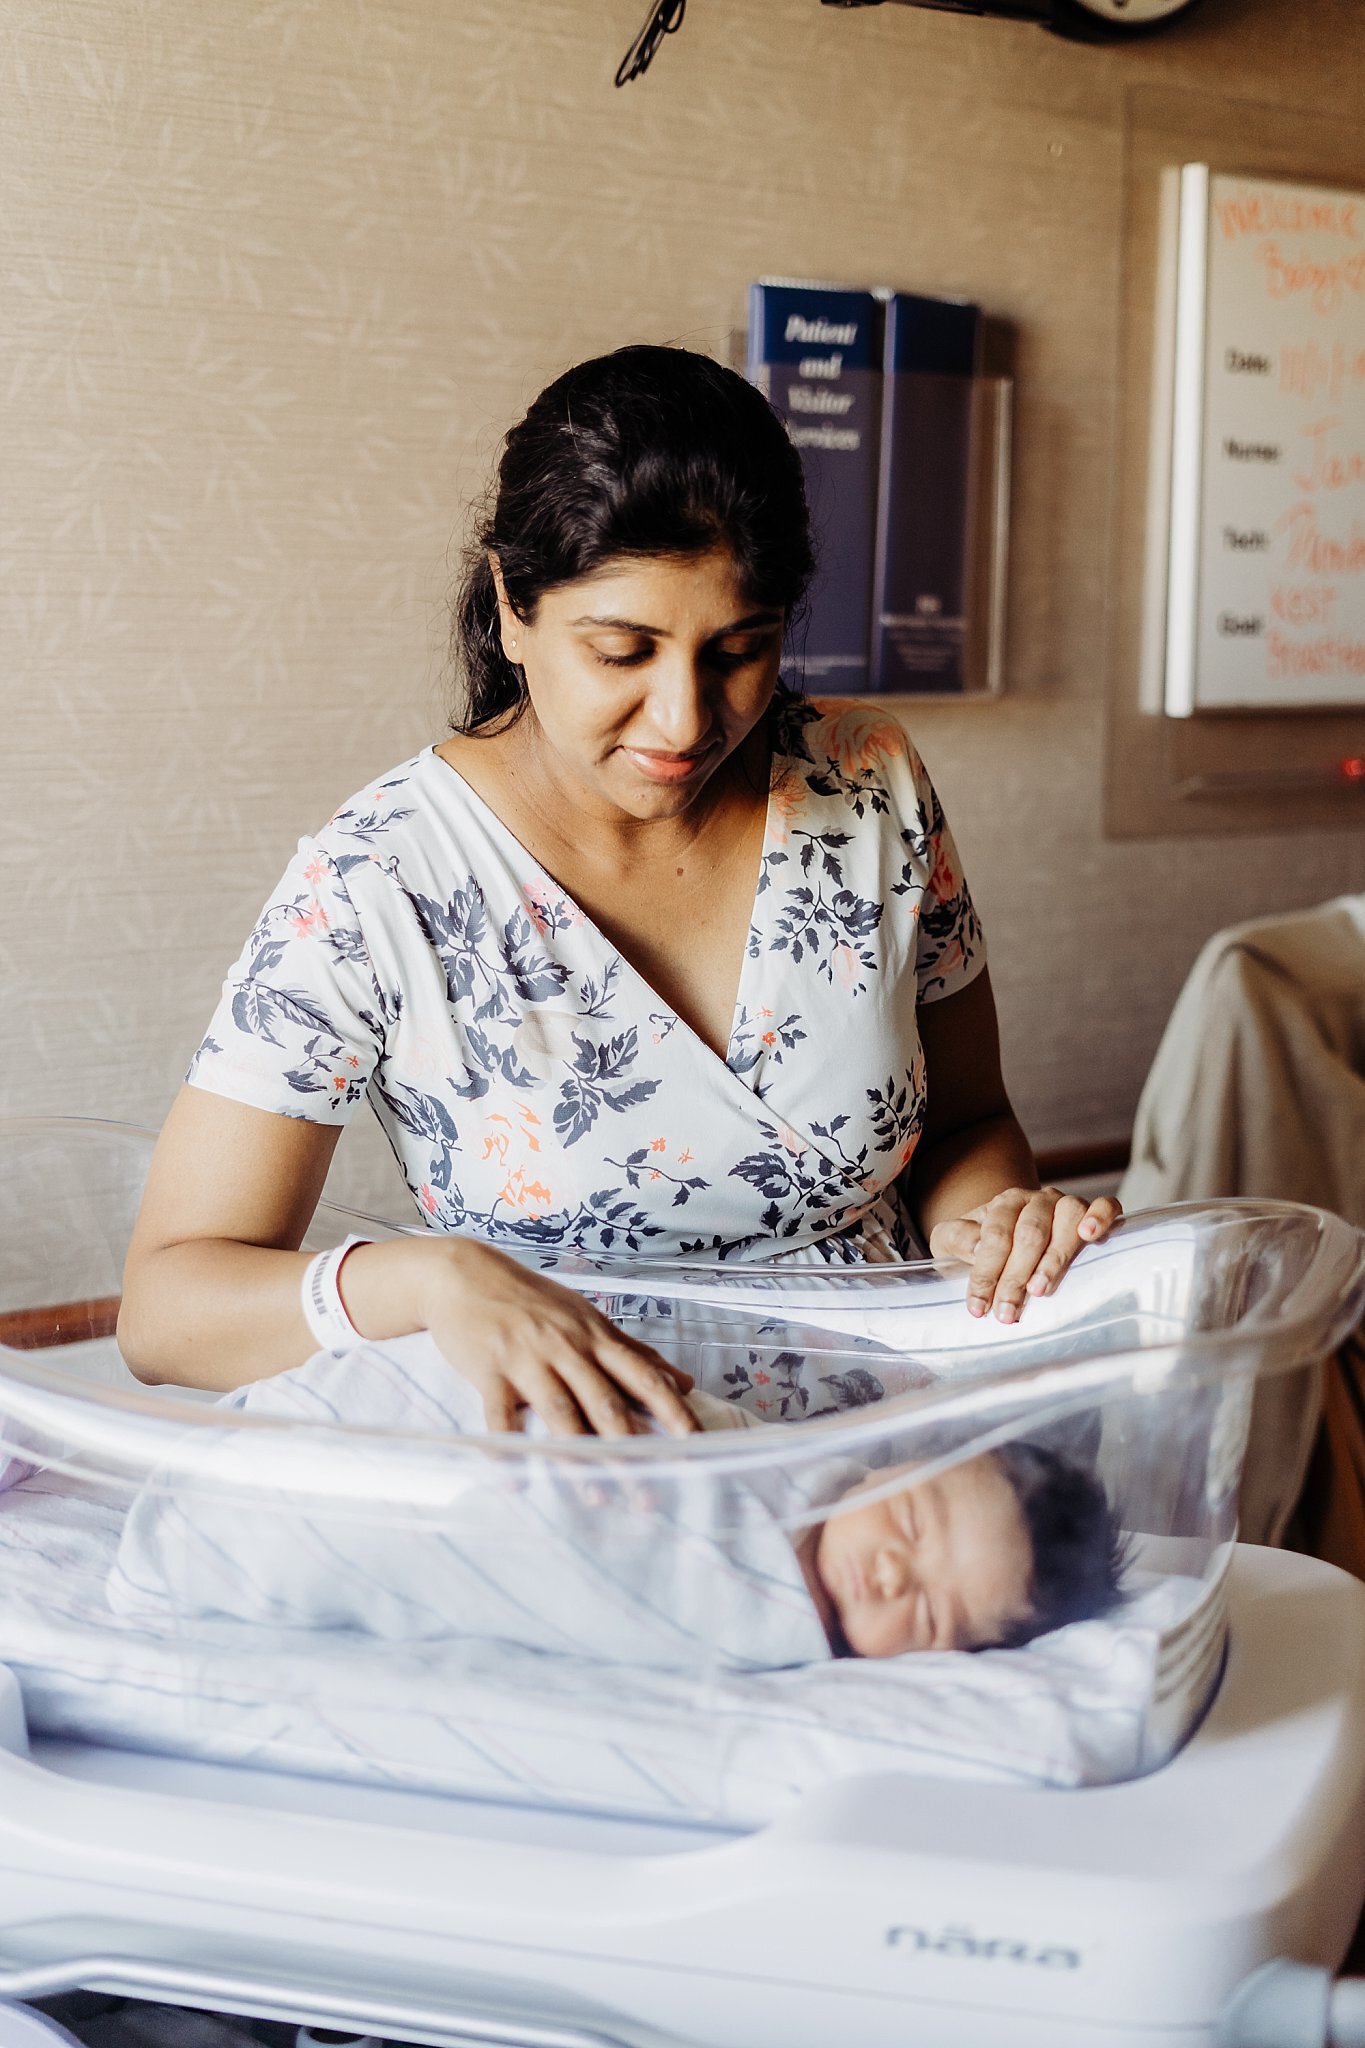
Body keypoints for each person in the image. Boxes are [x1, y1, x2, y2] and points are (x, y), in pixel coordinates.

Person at [118, 344, 1120, 1437]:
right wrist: (432, 1282)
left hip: (898, 1472)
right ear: (513, 607)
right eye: (622, 651)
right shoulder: (380, 881)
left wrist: (994, 1229)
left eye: (739, 649)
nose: (686, 720)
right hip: (595, 1494)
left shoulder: (865, 778)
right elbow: (167, 1309)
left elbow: (970, 1120)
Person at [109, 1330, 1127, 1669]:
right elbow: (689, 1420)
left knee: (345, 1530)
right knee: (364, 1447)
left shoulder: (774, 1638)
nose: (892, 1569)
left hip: (437, 1539)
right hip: (453, 1406)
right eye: (908, 1521)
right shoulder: (782, 1461)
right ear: (871, 1466)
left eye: (933, 1615)